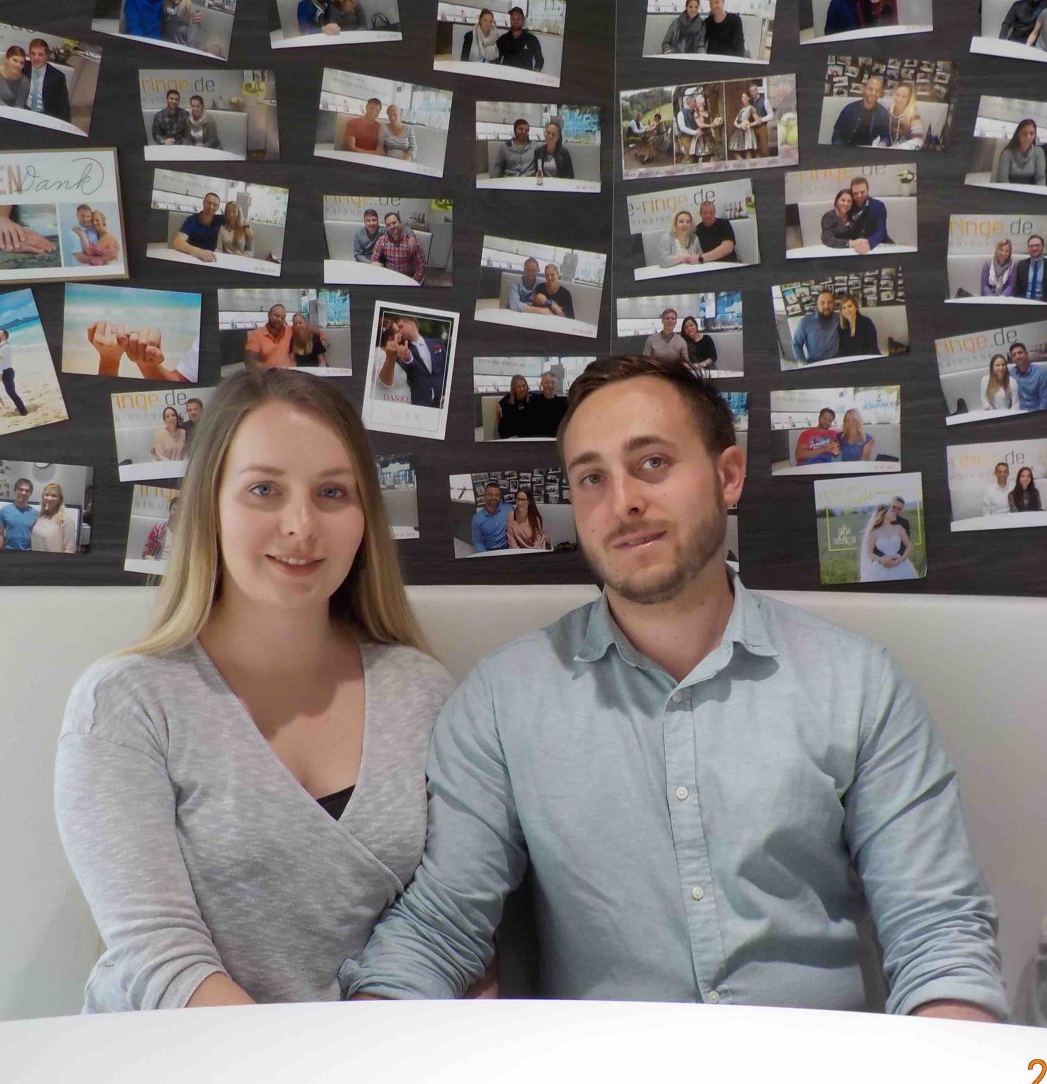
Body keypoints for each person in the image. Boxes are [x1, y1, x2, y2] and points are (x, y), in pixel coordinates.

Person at [341, 354, 1003, 1019]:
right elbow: (441, 927)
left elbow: (937, 932)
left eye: (653, 462)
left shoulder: (855, 683)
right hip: (600, 1070)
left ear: (728, 476)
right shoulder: (501, 702)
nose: (623, 501)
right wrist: (362, 1040)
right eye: (592, 477)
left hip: (818, 1064)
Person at [55, 369, 457, 1011]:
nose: (301, 526)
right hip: (173, 1057)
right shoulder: (125, 704)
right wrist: (307, 1069)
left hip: (367, 1053)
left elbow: (445, 921)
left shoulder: (422, 691)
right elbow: (162, 961)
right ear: (209, 506)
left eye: (332, 492)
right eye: (264, 490)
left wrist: (368, 1046)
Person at [377, 314, 448, 408]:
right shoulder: (401, 349)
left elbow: (447, 368)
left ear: (412, 324)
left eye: (401, 327)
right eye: (398, 329)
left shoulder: (437, 343)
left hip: (443, 400)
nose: (399, 332)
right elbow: (399, 370)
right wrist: (409, 359)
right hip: (419, 403)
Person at [861, 500, 918, 581]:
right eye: (891, 511)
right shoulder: (874, 532)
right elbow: (869, 552)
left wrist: (901, 560)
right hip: (881, 567)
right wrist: (882, 560)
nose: (894, 513)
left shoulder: (898, 528)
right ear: (883, 514)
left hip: (901, 565)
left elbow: (909, 546)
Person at [832, 73, 891, 147]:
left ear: (880, 93)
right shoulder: (849, 109)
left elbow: (886, 135)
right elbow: (837, 135)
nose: (873, 93)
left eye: (877, 90)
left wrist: (883, 143)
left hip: (870, 152)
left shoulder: (883, 113)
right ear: (864, 89)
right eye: (870, 89)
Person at [368, 211, 427, 283]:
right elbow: (374, 260)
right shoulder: (382, 240)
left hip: (407, 279)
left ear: (400, 223)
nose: (392, 226)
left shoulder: (411, 241)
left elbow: (421, 266)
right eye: (388, 225)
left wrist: (412, 283)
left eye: (394, 223)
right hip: (388, 278)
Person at [21, 38, 70, 122]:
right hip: (23, 110)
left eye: (40, 54)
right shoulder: (22, 67)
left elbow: (63, 106)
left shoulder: (57, 77)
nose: (36, 58)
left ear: (47, 56)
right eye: (33, 54)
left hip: (45, 115)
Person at [0, 327, 27, 418]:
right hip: (5, 372)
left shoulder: (5, 347)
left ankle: (23, 411)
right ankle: (20, 408)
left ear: (4, 335)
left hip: (7, 372)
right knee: (11, 392)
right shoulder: (2, 347)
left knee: (11, 393)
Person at [172, 191, 224, 264]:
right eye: (208, 203)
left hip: (212, 259)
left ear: (218, 207)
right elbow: (177, 242)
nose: (211, 207)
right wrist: (200, 252)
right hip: (193, 258)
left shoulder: (220, 219)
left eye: (215, 205)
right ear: (203, 203)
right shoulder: (192, 220)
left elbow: (236, 219)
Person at [792, 289, 840, 364]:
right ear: (817, 305)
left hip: (836, 362)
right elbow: (796, 344)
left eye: (830, 302)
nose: (826, 306)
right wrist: (802, 362)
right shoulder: (805, 322)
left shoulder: (839, 318)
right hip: (814, 363)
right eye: (822, 303)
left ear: (834, 303)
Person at [993, 118, 1046, 186]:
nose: (1028, 137)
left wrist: (1038, 191)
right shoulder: (1007, 153)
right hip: (1010, 190)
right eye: (1024, 133)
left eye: (1032, 133)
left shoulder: (1038, 152)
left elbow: (1040, 178)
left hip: (1030, 190)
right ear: (1018, 134)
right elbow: (1002, 179)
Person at [244, 304, 295, 370]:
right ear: (269, 315)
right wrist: (271, 370)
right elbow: (250, 361)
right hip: (267, 374)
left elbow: (305, 328)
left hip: (288, 372)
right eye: (277, 316)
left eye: (283, 318)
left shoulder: (289, 330)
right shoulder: (256, 334)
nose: (279, 319)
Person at [848, 175, 890, 251]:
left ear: (868, 190)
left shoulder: (878, 206)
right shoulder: (848, 207)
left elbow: (881, 230)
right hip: (856, 246)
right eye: (856, 193)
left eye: (862, 192)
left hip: (878, 244)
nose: (859, 195)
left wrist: (869, 243)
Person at [0, 478, 39, 550]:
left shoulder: (35, 514)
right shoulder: (4, 511)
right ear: (15, 490)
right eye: (21, 489)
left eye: (27, 491)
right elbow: (0, 534)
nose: (23, 493)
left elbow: (36, 537)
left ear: (30, 493)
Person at [1014, 235, 1047, 302]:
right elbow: (1016, 287)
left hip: (1043, 303)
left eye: (1037, 245)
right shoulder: (1022, 265)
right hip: (1024, 302)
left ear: (1043, 247)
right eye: (1031, 246)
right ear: (1028, 248)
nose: (1034, 248)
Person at [1009, 342, 1047, 410]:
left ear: (1027, 354)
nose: (1017, 356)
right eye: (1014, 355)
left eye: (1020, 353)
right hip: (1020, 411)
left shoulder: (1041, 373)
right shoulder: (1011, 374)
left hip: (1038, 410)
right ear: (1012, 358)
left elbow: (1046, 401)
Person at [496, 7, 544, 72]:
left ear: (523, 20)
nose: (515, 21)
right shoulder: (503, 39)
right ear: (510, 20)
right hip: (507, 75)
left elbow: (540, 60)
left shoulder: (531, 39)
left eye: (518, 18)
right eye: (513, 18)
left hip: (525, 76)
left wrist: (533, 75)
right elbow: (496, 59)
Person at [31, 483, 74, 554]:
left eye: (54, 495)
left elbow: (69, 549)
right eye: (46, 495)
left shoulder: (65, 520)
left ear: (60, 499)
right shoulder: (41, 517)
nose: (49, 498)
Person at [470, 483, 512, 550]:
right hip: (488, 550)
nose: (494, 497)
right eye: (490, 495)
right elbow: (477, 542)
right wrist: (485, 554)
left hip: (506, 549)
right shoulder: (477, 518)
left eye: (497, 495)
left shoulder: (508, 509)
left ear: (500, 497)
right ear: (485, 496)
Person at [886, 82, 924, 149]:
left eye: (904, 97)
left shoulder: (914, 115)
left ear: (909, 99)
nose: (899, 99)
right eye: (897, 95)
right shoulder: (888, 112)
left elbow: (919, 140)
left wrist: (899, 148)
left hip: (906, 151)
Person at [729, 90, 759, 160]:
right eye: (743, 97)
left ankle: (748, 165)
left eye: (746, 97)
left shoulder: (751, 108)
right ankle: (743, 163)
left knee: (747, 150)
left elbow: (758, 121)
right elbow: (735, 121)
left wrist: (749, 124)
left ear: (749, 98)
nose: (744, 98)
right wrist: (739, 126)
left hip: (747, 132)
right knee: (733, 150)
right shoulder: (742, 109)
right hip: (739, 131)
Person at [747, 82, 773, 157]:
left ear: (757, 90)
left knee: (764, 150)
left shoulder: (765, 101)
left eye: (754, 90)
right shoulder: (750, 102)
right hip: (752, 129)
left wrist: (761, 119)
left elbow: (771, 115)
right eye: (751, 91)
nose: (753, 93)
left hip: (762, 128)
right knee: (755, 150)